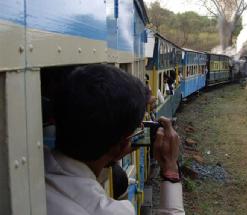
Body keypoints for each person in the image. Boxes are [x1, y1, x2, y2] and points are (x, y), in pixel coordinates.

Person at [45, 64, 184, 215]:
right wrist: (170, 169)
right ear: (123, 144)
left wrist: (113, 153)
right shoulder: (108, 211)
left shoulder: (36, 167)